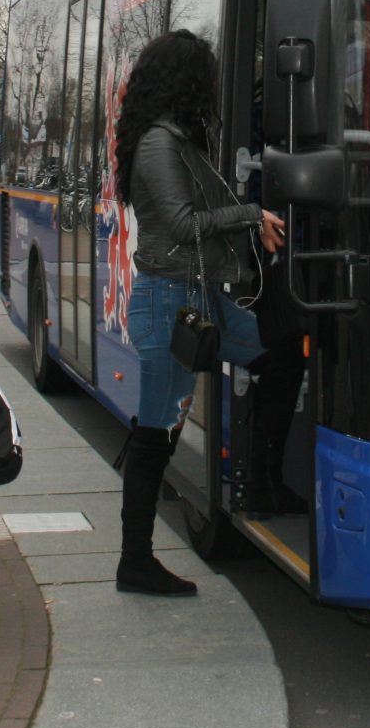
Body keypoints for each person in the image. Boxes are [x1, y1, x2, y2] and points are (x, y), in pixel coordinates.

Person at [116, 30, 285, 596]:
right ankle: (135, 562)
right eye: (205, 78)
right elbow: (185, 223)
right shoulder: (161, 145)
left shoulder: (178, 139)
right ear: (186, 82)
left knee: (275, 352)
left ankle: (264, 475)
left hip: (199, 294)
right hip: (172, 302)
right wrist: (249, 212)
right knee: (157, 432)